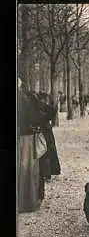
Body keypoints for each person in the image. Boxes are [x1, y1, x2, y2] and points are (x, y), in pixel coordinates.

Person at [18, 80, 45, 213]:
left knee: (24, 170)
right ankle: (27, 203)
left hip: (23, 138)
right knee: (28, 170)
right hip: (26, 138)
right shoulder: (26, 99)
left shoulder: (24, 100)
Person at [36, 92, 61, 181]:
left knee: (45, 152)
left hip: (43, 130)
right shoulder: (43, 106)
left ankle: (47, 172)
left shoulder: (39, 106)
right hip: (47, 130)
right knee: (49, 151)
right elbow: (52, 112)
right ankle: (50, 172)